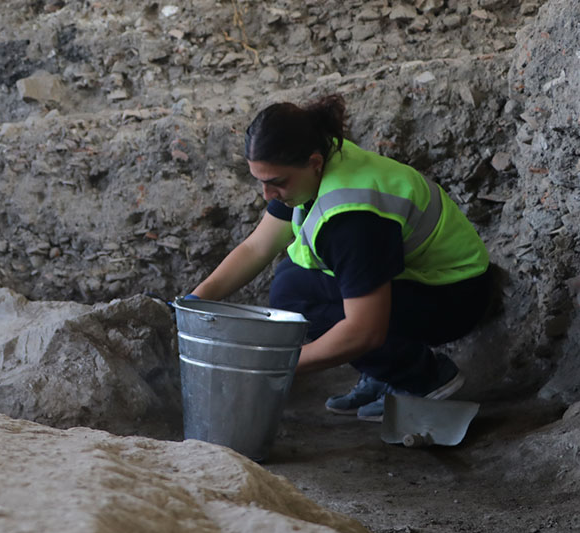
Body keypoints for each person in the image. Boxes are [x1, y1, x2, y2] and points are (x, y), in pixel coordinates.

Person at [188, 95, 492, 422]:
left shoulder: (352, 221)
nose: (267, 195)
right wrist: (193, 301)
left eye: (276, 183)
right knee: (291, 284)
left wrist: (274, 367)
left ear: (315, 163)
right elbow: (257, 248)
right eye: (261, 181)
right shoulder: (312, 164)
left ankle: (423, 379)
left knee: (300, 302)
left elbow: (364, 331)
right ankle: (386, 371)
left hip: (454, 298)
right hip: (421, 282)